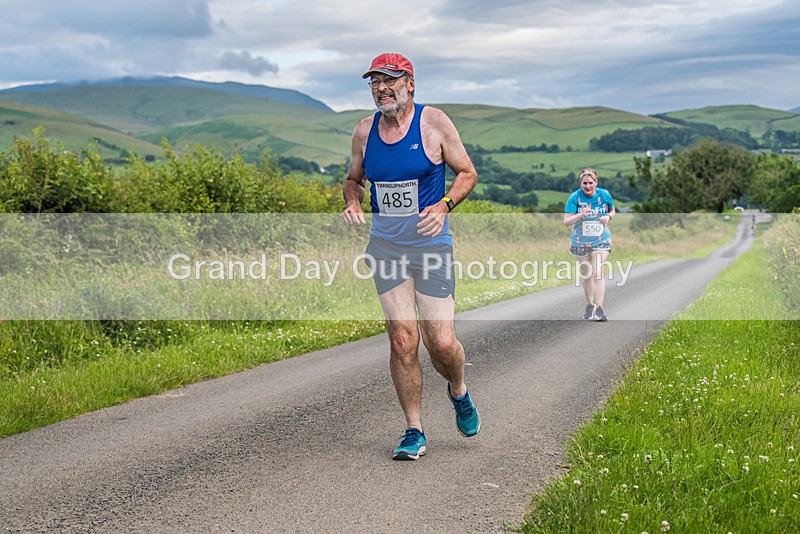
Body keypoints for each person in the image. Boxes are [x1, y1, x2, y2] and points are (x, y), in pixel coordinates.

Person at [340, 52, 480, 460]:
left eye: (389, 80)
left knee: (442, 342)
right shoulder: (364, 132)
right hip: (386, 247)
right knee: (403, 340)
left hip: (430, 247)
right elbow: (353, 179)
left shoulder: (434, 122)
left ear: (410, 84)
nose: (380, 88)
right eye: (374, 82)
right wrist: (352, 201)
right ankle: (414, 430)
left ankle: (458, 389)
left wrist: (444, 207)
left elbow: (467, 172)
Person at [563, 168, 616, 322]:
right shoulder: (575, 198)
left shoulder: (604, 194)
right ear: (581, 184)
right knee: (586, 273)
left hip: (601, 239)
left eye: (590, 183)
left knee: (598, 271)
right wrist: (580, 215)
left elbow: (612, 210)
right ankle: (590, 304)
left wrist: (608, 217)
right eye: (584, 183)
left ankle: (599, 309)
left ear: (596, 182)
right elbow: (566, 222)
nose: (587, 186)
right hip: (581, 241)